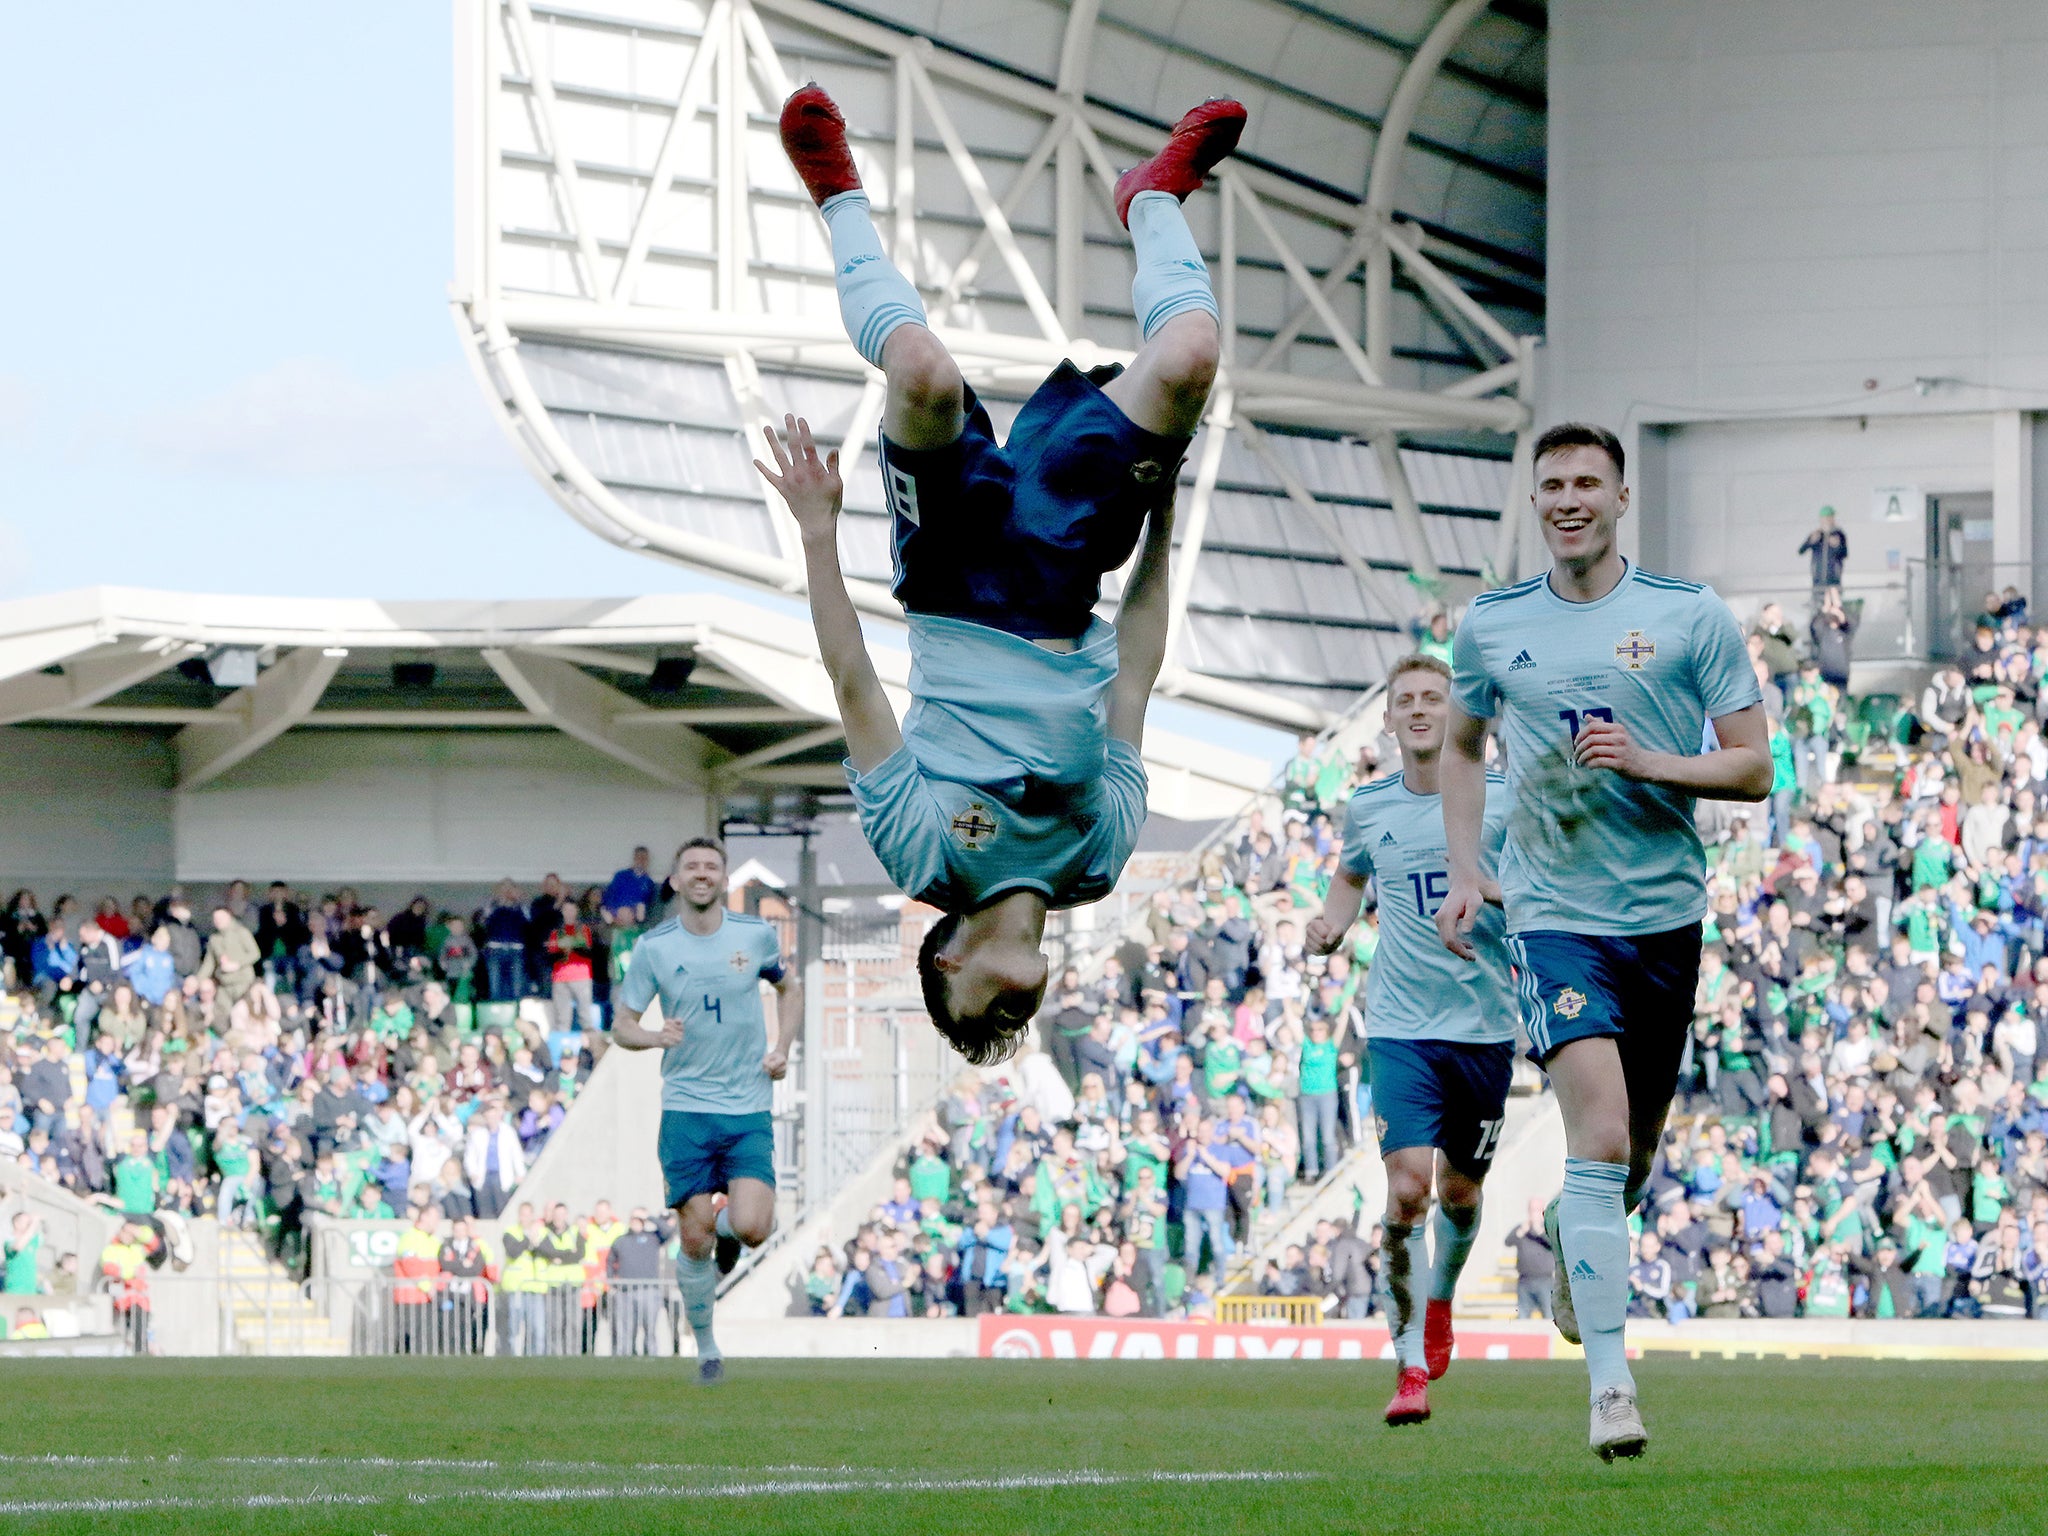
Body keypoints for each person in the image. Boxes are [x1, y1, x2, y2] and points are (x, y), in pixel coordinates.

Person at [759, 85, 1243, 1067]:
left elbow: (853, 684)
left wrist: (817, 533)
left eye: (987, 1018)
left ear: (945, 969)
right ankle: (1152, 198)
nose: (1015, 1016)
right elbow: (1135, 678)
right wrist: (1164, 515)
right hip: (1067, 574)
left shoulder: (923, 855)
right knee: (1190, 356)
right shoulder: (1095, 862)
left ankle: (838, 196)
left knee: (926, 377)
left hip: (953, 576)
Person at [1437, 421, 1771, 1461]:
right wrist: (1460, 867)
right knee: (1600, 1136)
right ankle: (1610, 1390)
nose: (1566, 499)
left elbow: (1754, 767)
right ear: (1533, 502)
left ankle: (1583, 1260)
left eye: (1586, 482)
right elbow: (1457, 745)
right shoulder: (1490, 626)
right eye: (1550, 485)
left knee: (1626, 1165)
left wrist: (1648, 762)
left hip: (1664, 918)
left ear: (1621, 497)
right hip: (1551, 916)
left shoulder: (1686, 617)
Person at [1307, 652, 1516, 1427]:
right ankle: (1408, 1365)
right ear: (1390, 718)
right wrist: (1331, 923)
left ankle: (1440, 1304)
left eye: (1436, 697)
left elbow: (1542, 884)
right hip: (1398, 1026)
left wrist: (1487, 891)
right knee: (1406, 1192)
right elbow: (1350, 877)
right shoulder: (1368, 807)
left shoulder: (1504, 799)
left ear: (1458, 712)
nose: (1422, 709)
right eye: (1408, 700)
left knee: (1461, 1194)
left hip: (1486, 1027)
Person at [611, 837, 801, 1384]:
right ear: (674, 881)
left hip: (747, 1104)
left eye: (711, 867)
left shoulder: (755, 934)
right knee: (693, 1239)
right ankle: (707, 1349)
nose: (701, 874)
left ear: (723, 880)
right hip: (687, 1108)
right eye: (691, 866)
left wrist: (783, 1047)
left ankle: (728, 1234)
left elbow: (790, 989)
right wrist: (652, 1036)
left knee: (753, 1225)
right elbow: (622, 1025)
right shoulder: (654, 947)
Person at [1506, 1197, 1555, 1319]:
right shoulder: (1523, 1228)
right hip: (1525, 1281)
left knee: (1549, 1316)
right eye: (1532, 1210)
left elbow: (1552, 1244)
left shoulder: (1547, 1228)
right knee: (1522, 1317)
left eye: (1537, 1210)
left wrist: (1540, 1231)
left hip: (1544, 1281)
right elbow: (1508, 1242)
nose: (1534, 1214)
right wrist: (1522, 1230)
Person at [1798, 507, 1848, 596]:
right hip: (1818, 577)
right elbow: (1801, 551)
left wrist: (1837, 546)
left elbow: (1844, 554)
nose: (1827, 520)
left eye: (1830, 518)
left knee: (1834, 601)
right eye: (1825, 518)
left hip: (1833, 577)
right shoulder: (1817, 534)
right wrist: (1811, 541)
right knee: (1818, 601)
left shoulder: (1839, 534)